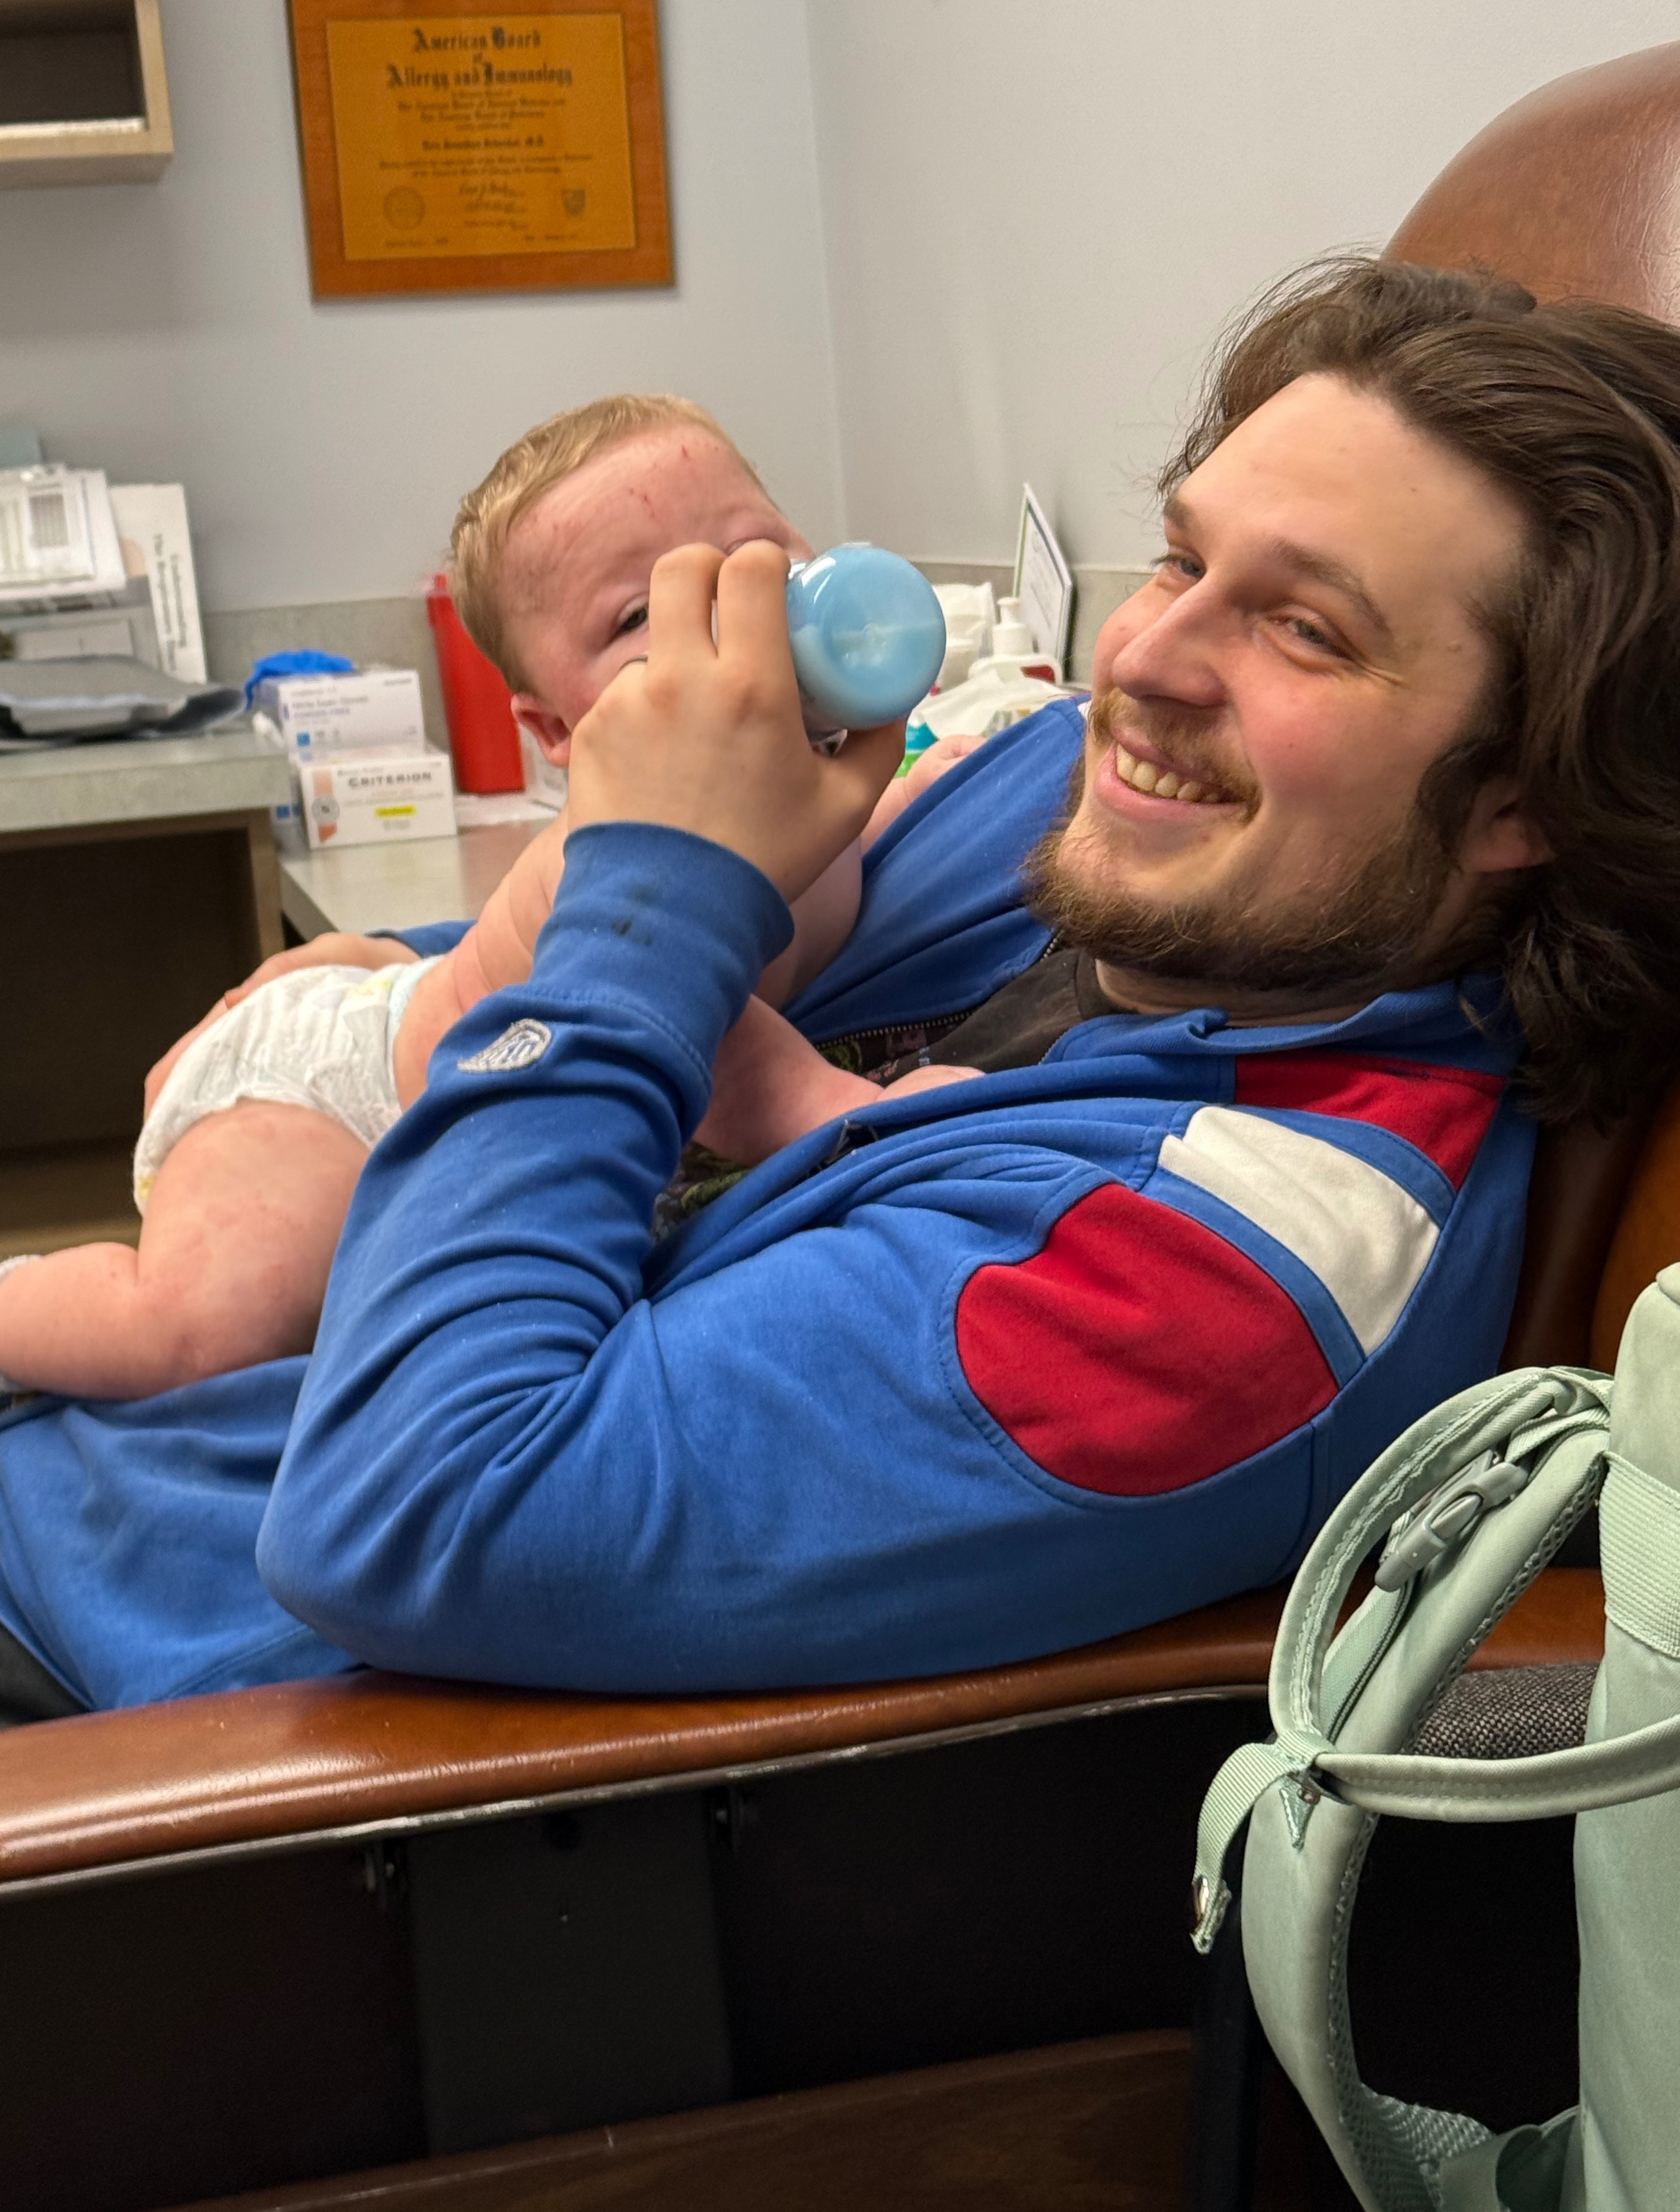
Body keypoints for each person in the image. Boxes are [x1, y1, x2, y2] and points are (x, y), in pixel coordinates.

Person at [5, 256, 1680, 1716]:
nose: (1142, 661)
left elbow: (403, 1516)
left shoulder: (1212, 1289)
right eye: (1181, 562)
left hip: (114, 1678)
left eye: (1307, 630)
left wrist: (654, 890)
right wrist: (393, 973)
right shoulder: (1096, 830)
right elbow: (605, 955)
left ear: (1526, 791)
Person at [0, 397, 974, 1403]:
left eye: (752, 558)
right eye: (640, 615)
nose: (726, 619)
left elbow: (841, 841)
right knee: (212, 1328)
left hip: (414, 997)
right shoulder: (630, 851)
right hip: (340, 1096)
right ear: (555, 731)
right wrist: (853, 1112)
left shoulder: (820, 785)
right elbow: (699, 1031)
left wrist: (916, 788)